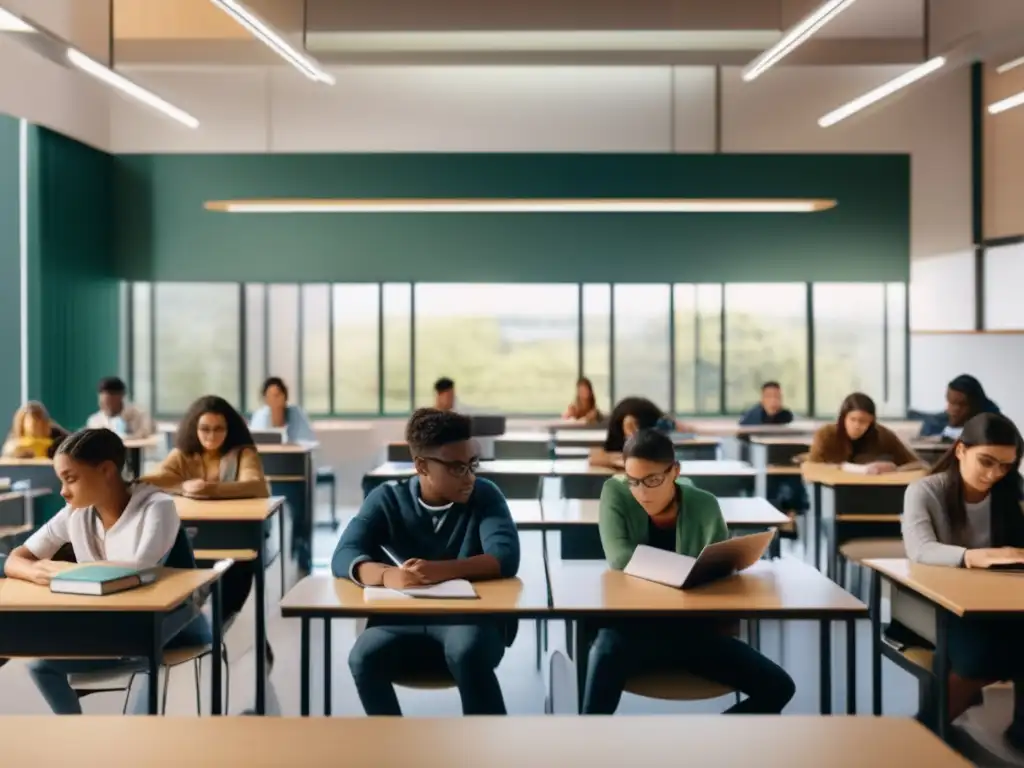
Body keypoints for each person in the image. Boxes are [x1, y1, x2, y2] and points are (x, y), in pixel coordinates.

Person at [582, 428, 795, 715]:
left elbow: (718, 566)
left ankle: (706, 747)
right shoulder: (616, 493)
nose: (642, 492)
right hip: (632, 630)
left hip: (692, 630)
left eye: (653, 480)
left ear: (675, 472)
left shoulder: (704, 503)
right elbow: (620, 558)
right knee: (603, 652)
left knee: (780, 687)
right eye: (634, 481)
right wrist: (687, 570)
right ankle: (586, 752)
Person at [2, 428, 209, 714]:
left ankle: (135, 750)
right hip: (112, 624)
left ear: (106, 471)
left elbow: (137, 574)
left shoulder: (157, 507)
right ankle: (81, 744)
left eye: (70, 479)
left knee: (144, 674)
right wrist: (36, 572)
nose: (63, 491)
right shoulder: (76, 511)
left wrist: (63, 572)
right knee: (40, 665)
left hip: (173, 624)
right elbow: (16, 558)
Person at [333, 408, 520, 716]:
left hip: (470, 620)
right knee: (362, 657)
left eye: (473, 464)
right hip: (402, 619)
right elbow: (345, 552)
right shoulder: (388, 498)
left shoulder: (485, 495)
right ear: (422, 466)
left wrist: (438, 571)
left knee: (466, 649)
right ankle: (393, 748)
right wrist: (386, 576)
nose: (470, 477)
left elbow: (505, 557)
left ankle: (489, 747)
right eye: (457, 468)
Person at [901, 412, 1024, 749]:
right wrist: (971, 556)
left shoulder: (1010, 493)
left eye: (1005, 466)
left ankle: (1019, 732)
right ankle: (925, 732)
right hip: (941, 602)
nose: (995, 473)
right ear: (960, 450)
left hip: (999, 599)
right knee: (980, 654)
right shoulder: (924, 491)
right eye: (986, 461)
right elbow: (920, 549)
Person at [140, 395, 271, 661]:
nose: (211, 435)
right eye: (205, 429)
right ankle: (194, 633)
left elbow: (256, 485)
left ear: (229, 429)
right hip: (195, 537)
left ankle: (219, 633)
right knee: (170, 571)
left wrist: (207, 488)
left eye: (218, 428)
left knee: (232, 584)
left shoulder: (243, 453)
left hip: (235, 538)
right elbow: (158, 478)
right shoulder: (183, 455)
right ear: (194, 429)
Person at [807, 392, 922, 473]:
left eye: (864, 422)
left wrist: (894, 470)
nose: (857, 426)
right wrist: (844, 468)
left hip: (871, 492)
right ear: (843, 418)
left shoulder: (883, 435)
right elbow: (811, 468)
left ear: (871, 422)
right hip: (834, 491)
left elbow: (918, 465)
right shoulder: (826, 435)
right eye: (852, 419)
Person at [589, 396, 685, 469]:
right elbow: (594, 456)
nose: (631, 433)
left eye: (634, 427)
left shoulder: (656, 424)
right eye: (630, 427)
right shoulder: (616, 435)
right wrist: (612, 460)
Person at [919, 375, 1001, 440]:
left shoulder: (992, 426)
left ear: (975, 405)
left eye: (961, 404)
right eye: (950, 402)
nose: (953, 410)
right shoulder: (934, 424)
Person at [249, 376, 317, 443]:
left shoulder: (297, 414)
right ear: (265, 400)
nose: (274, 401)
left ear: (285, 398)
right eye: (270, 397)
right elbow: (253, 443)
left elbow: (308, 442)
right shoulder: (260, 416)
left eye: (277, 396)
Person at [86, 377, 154, 438]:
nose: (106, 406)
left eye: (110, 400)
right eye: (103, 402)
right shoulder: (95, 420)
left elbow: (146, 433)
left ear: (121, 395)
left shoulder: (139, 414)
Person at [2, 401, 68, 458]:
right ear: (22, 424)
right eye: (33, 424)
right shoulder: (15, 438)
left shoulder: (57, 435)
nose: (38, 426)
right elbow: (6, 453)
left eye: (41, 424)